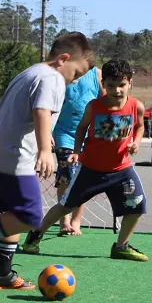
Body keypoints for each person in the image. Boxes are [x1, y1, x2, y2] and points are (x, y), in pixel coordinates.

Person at [0, 32, 94, 290]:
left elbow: (23, 112)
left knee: (12, 216)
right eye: (76, 74)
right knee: (29, 216)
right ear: (64, 59)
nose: (75, 81)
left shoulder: (30, 72)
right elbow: (40, 110)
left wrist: (46, 137)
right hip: (11, 158)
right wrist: (44, 150)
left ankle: (1, 273)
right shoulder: (53, 78)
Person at [22, 59, 148, 262]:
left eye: (121, 85)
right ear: (103, 84)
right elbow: (81, 128)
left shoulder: (136, 106)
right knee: (66, 206)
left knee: (137, 206)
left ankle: (121, 246)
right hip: (91, 169)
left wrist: (136, 141)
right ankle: (35, 236)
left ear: (130, 83)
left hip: (121, 169)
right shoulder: (94, 106)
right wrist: (77, 151)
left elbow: (140, 126)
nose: (116, 90)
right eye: (110, 85)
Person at [51, 66, 103, 236]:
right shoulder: (61, 71)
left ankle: (76, 220)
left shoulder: (96, 74)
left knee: (81, 178)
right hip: (63, 133)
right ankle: (64, 219)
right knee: (67, 175)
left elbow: (104, 100)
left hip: (87, 135)